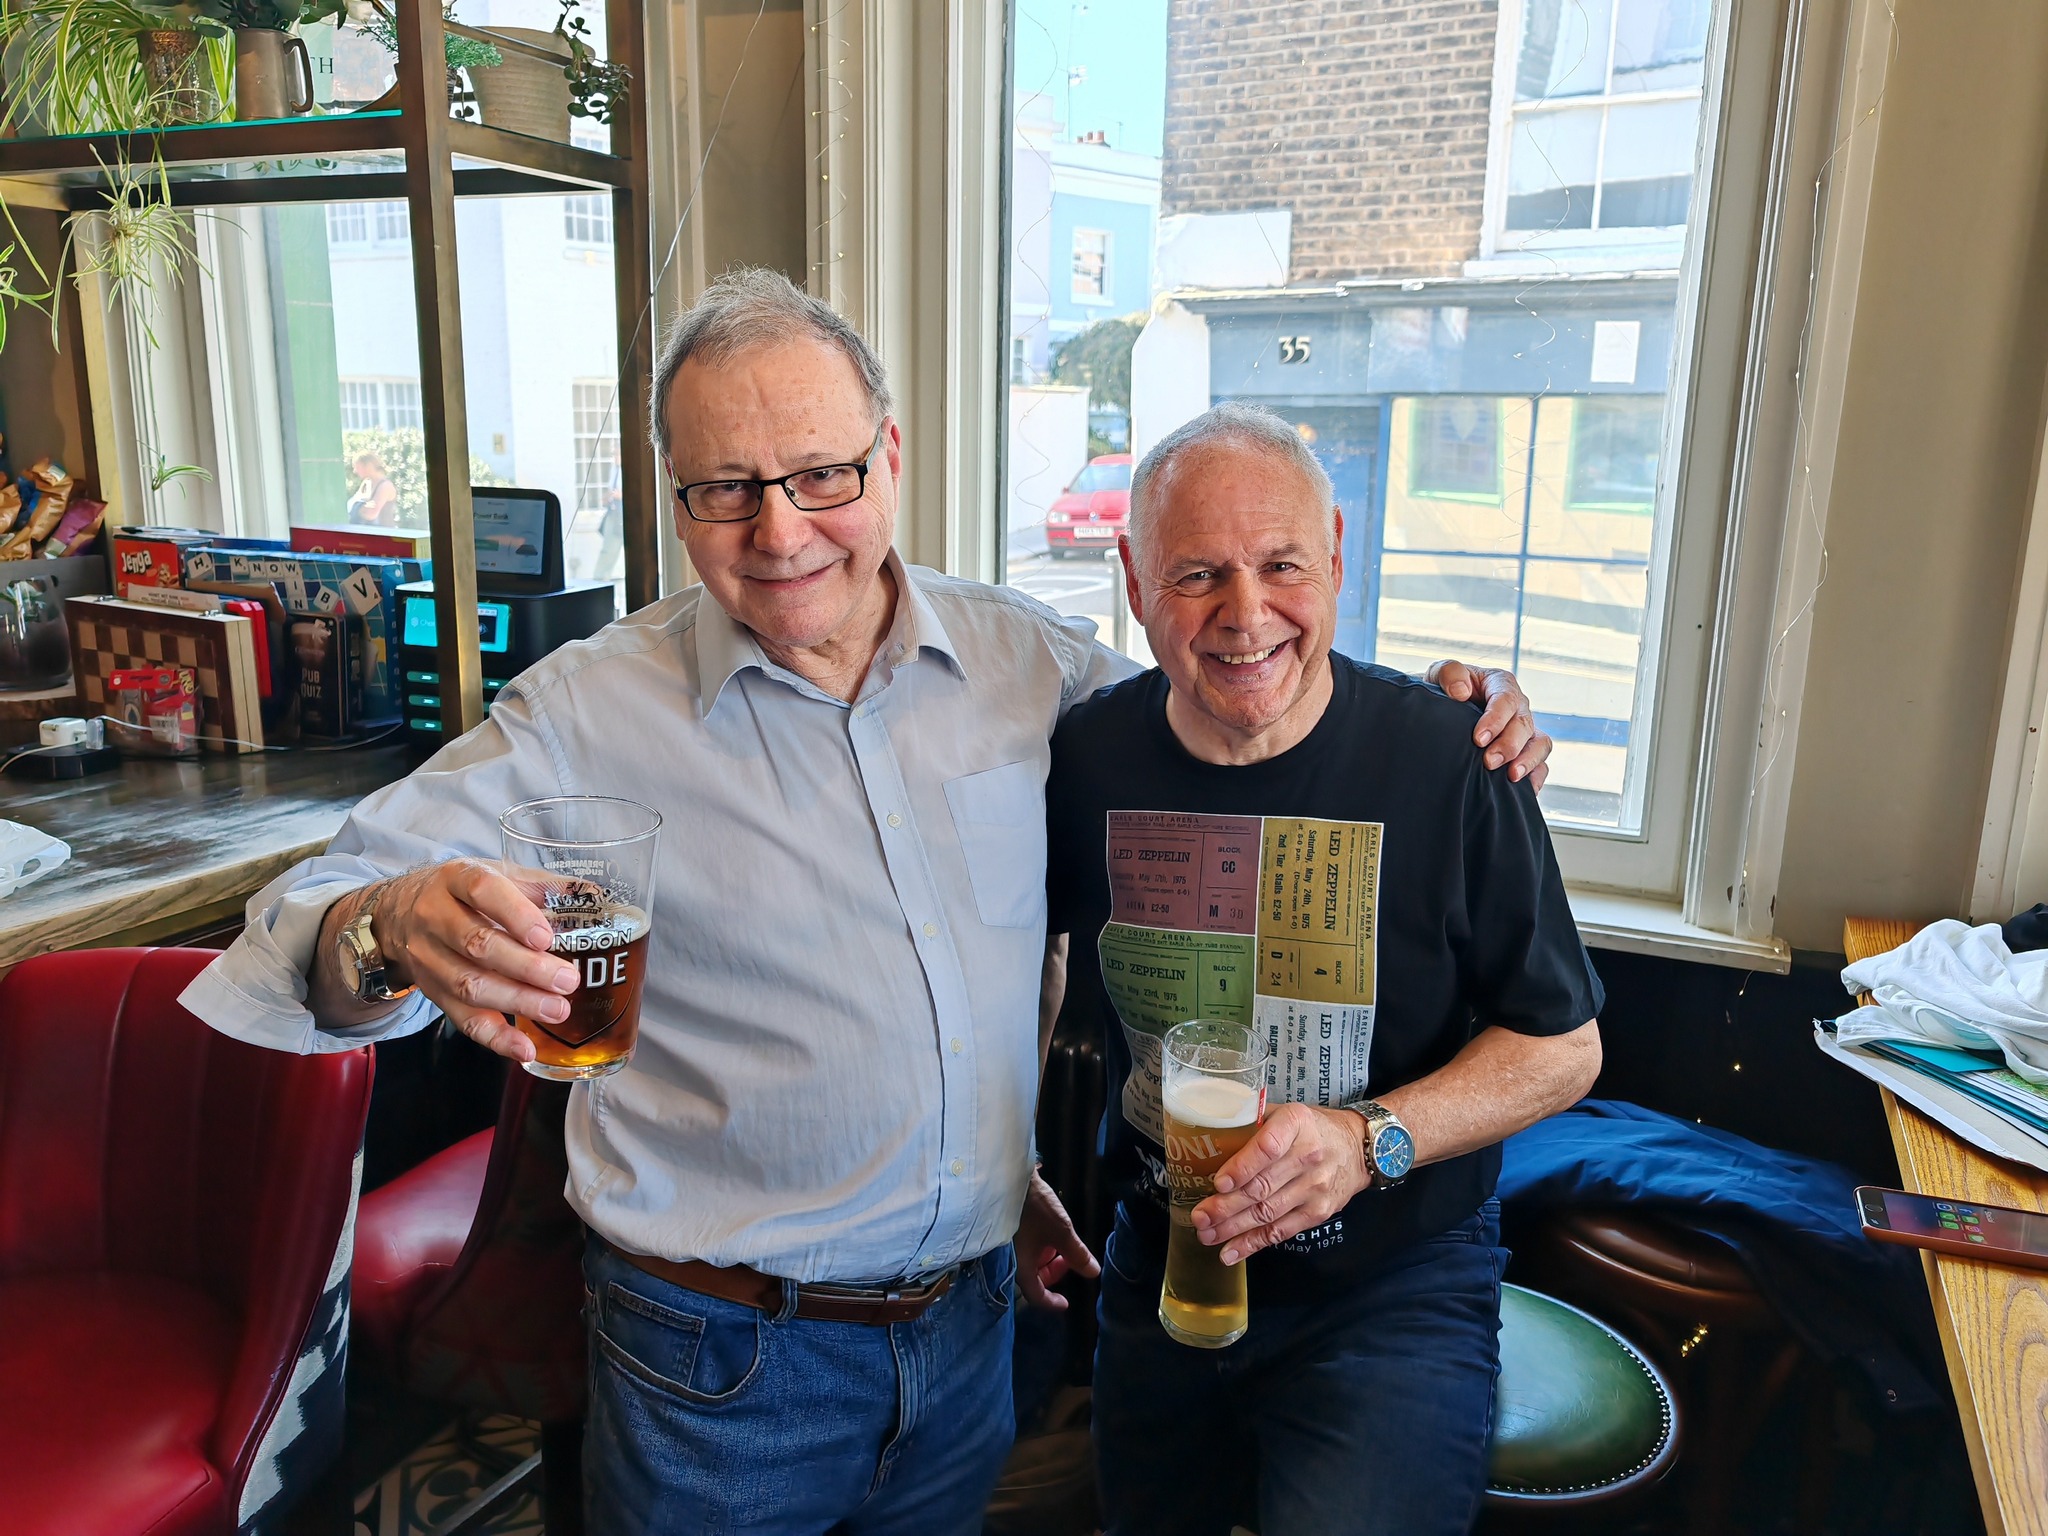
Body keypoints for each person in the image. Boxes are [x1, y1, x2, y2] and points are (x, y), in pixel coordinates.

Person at [181, 270, 1551, 1536]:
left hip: (965, 1339)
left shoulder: (1027, 667)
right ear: (674, 501)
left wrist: (1460, 712)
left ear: (889, 458)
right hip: (715, 1363)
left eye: (821, 474)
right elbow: (301, 927)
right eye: (726, 489)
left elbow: (1241, 681)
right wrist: (388, 926)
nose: (779, 531)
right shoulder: (588, 711)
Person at [1043, 402, 1605, 1536]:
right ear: (1134, 580)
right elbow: (1020, 960)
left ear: (1337, 556)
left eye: (1281, 564)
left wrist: (1365, 1140)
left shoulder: (1456, 759)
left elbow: (1562, 1048)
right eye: (1196, 573)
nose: (1245, 614)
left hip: (1391, 1285)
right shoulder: (1082, 759)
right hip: (1163, 1261)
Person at [347, 451, 399, 526]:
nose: (355, 471)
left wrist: (357, 507)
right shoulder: (366, 483)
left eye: (357, 467)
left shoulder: (385, 486)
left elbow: (370, 513)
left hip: (383, 532)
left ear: (368, 466)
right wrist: (361, 506)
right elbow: (350, 504)